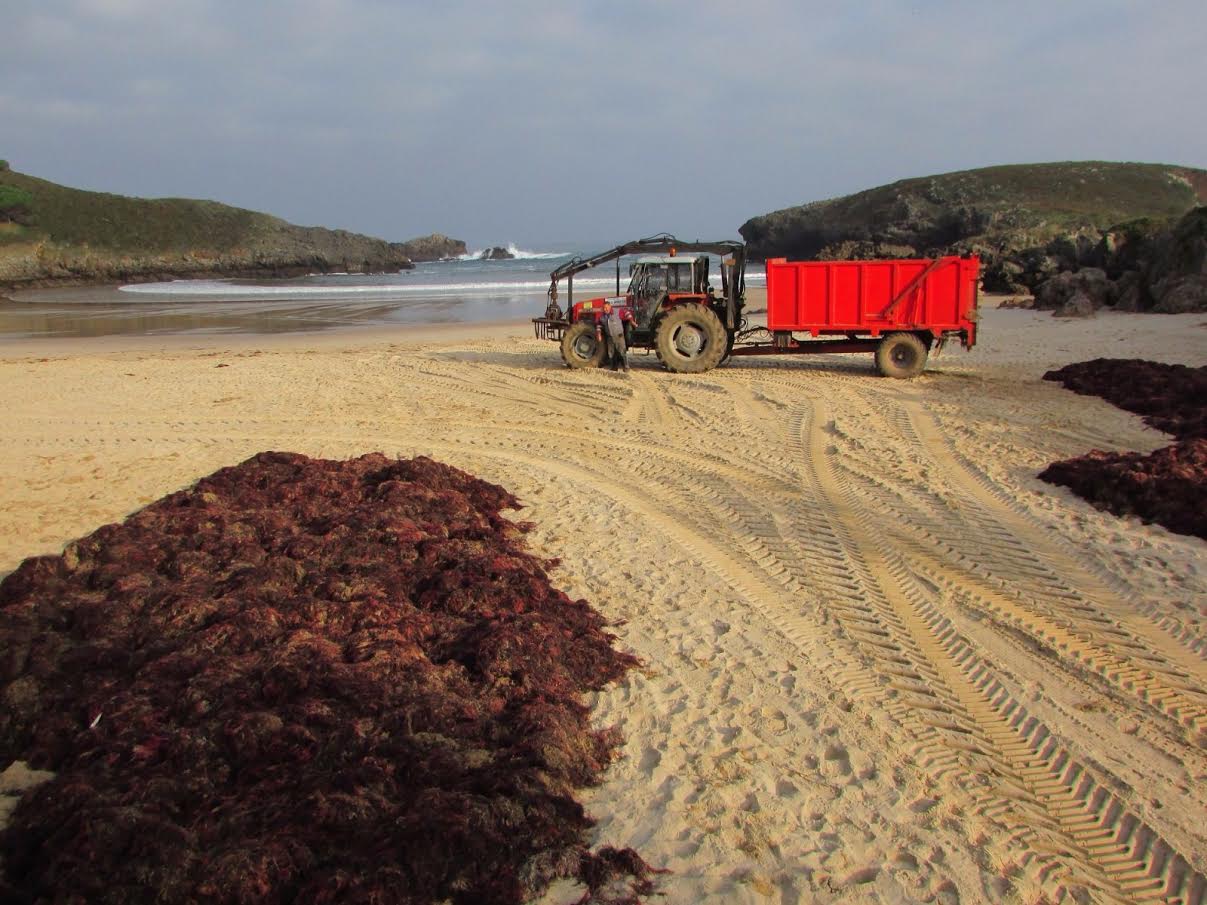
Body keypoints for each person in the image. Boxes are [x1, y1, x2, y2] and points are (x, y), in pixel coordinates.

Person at [601, 302, 628, 372]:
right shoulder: (603, 316)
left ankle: (626, 366)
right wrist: (598, 334)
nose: (605, 309)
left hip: (618, 336)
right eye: (603, 308)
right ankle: (614, 367)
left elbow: (627, 313)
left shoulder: (617, 311)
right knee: (611, 352)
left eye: (606, 308)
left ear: (610, 306)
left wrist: (632, 321)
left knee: (621, 351)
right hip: (610, 337)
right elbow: (599, 324)